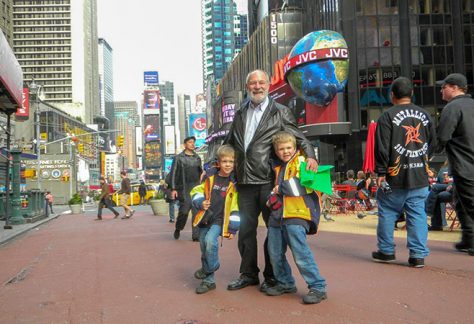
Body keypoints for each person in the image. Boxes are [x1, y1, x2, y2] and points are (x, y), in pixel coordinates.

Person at [224, 69, 318, 292]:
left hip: (269, 181)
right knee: (246, 231)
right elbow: (228, 143)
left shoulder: (280, 111)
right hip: (244, 181)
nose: (257, 86)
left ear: (268, 85)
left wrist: (311, 156)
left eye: (261, 82)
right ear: (248, 87)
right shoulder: (240, 113)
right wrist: (212, 167)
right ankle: (248, 273)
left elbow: (299, 137)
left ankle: (273, 275)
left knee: (274, 231)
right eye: (253, 83)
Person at [373, 76, 436, 268]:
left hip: (394, 176)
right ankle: (417, 255)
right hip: (419, 175)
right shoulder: (425, 115)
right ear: (412, 93)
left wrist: (381, 172)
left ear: (392, 95)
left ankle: (386, 251)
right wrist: (425, 160)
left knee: (387, 211)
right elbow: (433, 144)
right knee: (417, 213)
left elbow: (382, 147)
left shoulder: (387, 116)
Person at [265, 131, 326, 304]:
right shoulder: (278, 167)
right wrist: (272, 197)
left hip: (298, 214)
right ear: (276, 151)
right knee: (274, 252)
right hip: (278, 215)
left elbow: (304, 185)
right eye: (281, 149)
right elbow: (278, 189)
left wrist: (279, 189)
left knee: (300, 252)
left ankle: (318, 286)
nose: (285, 151)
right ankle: (285, 282)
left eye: (288, 148)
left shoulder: (303, 161)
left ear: (295, 147)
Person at [190, 145, 240, 294]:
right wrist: (200, 202)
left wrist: (232, 228)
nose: (228, 165)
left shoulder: (234, 183)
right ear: (218, 163)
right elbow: (196, 191)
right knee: (204, 247)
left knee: (211, 241)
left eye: (231, 162)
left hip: (220, 220)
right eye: (225, 161)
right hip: (206, 217)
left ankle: (211, 267)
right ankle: (209, 281)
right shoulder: (209, 178)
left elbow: (235, 207)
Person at [436, 73, 474, 255]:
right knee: (460, 201)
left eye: (443, 87)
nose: (441, 90)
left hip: (464, 163)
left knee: (470, 202)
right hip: (468, 161)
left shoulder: (452, 108)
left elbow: (442, 136)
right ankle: (468, 238)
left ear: (454, 87)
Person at [170, 136, 203, 241]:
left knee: (196, 211)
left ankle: (196, 235)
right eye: (190, 142)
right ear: (185, 145)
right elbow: (173, 173)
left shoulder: (197, 158)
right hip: (184, 188)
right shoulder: (178, 158)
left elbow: (201, 173)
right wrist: (174, 189)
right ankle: (178, 228)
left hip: (196, 188)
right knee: (183, 212)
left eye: (193, 142)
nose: (192, 144)